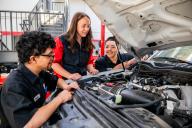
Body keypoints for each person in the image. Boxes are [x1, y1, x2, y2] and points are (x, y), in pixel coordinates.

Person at [0, 31, 79, 128]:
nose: (53, 59)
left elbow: (55, 80)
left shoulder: (38, 72)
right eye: (49, 55)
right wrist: (60, 98)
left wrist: (66, 86)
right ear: (33, 59)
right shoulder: (14, 86)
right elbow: (29, 124)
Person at [52, 12, 99, 80]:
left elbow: (89, 62)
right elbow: (54, 64)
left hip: (82, 80)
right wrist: (70, 75)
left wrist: (92, 69)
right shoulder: (60, 41)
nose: (86, 29)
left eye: (88, 26)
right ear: (75, 25)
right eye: (83, 26)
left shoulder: (88, 42)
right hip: (64, 82)